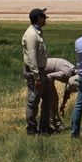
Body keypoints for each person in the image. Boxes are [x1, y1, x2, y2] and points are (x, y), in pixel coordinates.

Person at [21, 7, 58, 135]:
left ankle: (44, 127)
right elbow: (31, 57)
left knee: (48, 97)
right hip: (35, 73)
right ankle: (31, 129)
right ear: (39, 19)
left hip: (42, 72)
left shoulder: (37, 32)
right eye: (44, 18)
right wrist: (36, 77)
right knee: (33, 100)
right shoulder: (31, 34)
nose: (45, 20)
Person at [44, 57, 78, 133]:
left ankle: (55, 123)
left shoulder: (74, 75)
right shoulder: (66, 73)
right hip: (39, 71)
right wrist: (49, 94)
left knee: (54, 99)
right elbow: (49, 77)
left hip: (47, 74)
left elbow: (67, 91)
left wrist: (63, 105)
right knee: (51, 99)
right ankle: (51, 124)